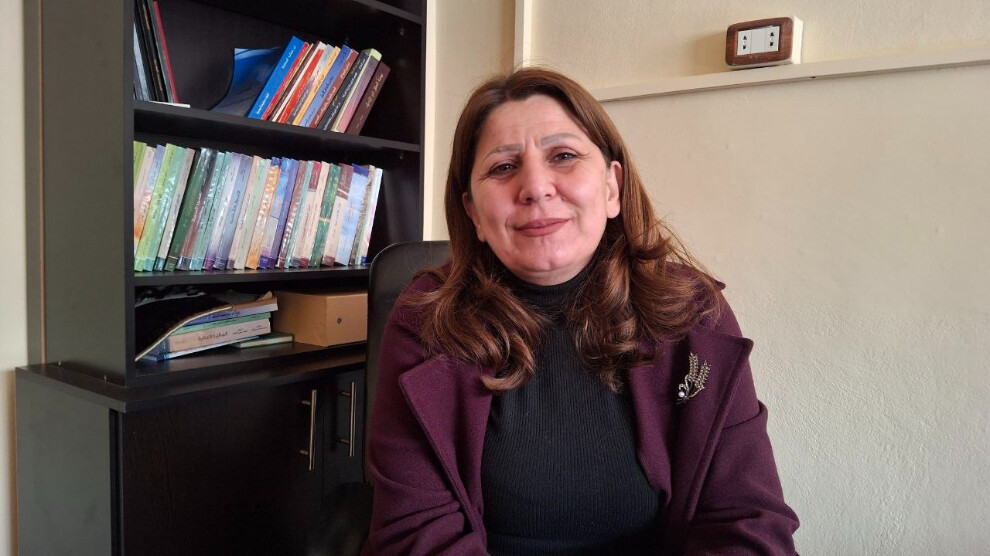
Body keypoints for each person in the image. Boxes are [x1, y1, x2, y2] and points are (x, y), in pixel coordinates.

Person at [364, 67, 799, 555]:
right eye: (503, 167)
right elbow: (416, 535)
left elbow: (747, 519)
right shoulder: (427, 319)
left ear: (612, 188)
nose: (536, 187)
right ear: (473, 213)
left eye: (564, 156)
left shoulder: (694, 312)